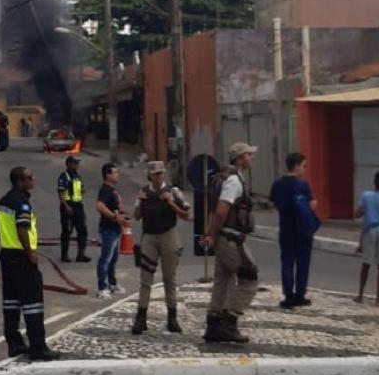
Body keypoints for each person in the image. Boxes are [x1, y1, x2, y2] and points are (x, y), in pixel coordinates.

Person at [0, 166, 60, 361]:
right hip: (22, 258)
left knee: (11, 303)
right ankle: (38, 348)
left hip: (7, 256)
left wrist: (7, 239)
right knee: (33, 303)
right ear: (19, 182)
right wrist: (29, 252)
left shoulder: (3, 201)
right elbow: (22, 229)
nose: (33, 180)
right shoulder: (21, 203)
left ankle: (14, 344)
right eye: (29, 178)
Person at [202, 142, 258, 343]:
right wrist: (213, 236)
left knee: (222, 280)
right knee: (249, 278)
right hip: (231, 238)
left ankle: (214, 325)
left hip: (224, 237)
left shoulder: (221, 178)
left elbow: (213, 210)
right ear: (240, 158)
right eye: (249, 155)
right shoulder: (233, 181)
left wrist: (210, 234)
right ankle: (229, 322)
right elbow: (221, 211)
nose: (251, 158)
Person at [130, 161, 191, 335]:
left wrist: (171, 203)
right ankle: (141, 319)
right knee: (145, 279)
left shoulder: (173, 191)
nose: (159, 176)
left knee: (169, 278)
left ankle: (172, 318)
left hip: (168, 234)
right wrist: (140, 203)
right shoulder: (143, 192)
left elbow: (187, 215)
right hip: (149, 236)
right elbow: (136, 216)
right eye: (156, 174)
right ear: (149, 175)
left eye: (161, 173)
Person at [269, 152, 319, 309]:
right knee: (303, 263)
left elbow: (274, 204)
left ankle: (288, 295)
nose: (304, 169)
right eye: (304, 165)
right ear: (297, 165)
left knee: (287, 263)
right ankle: (300, 295)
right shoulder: (302, 184)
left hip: (286, 228)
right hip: (303, 230)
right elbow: (312, 205)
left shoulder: (277, 184)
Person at [353, 170, 379, 307]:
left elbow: (358, 214)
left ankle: (360, 295)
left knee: (366, 263)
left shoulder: (366, 195)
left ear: (374, 182)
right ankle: (378, 298)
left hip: (369, 230)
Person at [95, 162, 128, 299]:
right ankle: (102, 288)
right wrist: (115, 217)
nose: (117, 174)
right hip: (108, 229)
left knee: (113, 259)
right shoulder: (105, 190)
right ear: (108, 175)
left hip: (115, 229)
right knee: (105, 259)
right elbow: (99, 206)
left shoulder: (112, 190)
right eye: (115, 172)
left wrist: (122, 217)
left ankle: (112, 284)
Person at [57, 156, 91, 263]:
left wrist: (82, 191)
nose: (77, 165)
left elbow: (81, 189)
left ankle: (81, 255)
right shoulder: (64, 176)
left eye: (77, 163)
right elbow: (61, 193)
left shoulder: (77, 176)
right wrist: (66, 206)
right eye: (75, 163)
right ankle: (64, 255)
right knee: (67, 231)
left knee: (82, 230)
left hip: (78, 206)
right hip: (68, 206)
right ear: (69, 164)